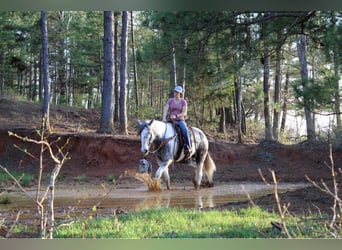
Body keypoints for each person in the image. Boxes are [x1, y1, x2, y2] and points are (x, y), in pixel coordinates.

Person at [162, 85, 192, 157]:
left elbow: (184, 112)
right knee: (163, 131)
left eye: (177, 92)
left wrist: (176, 116)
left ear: (180, 93)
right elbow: (166, 108)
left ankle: (188, 147)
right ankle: (160, 148)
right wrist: (164, 118)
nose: (176, 93)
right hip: (171, 120)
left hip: (180, 120)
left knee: (185, 130)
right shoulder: (170, 100)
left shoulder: (183, 102)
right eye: (175, 91)